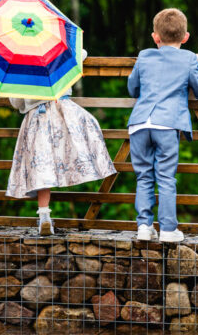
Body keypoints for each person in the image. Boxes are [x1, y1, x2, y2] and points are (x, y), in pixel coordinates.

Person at [6, 50, 116, 236]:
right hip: (63, 110)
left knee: (41, 164)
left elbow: (16, 102)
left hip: (37, 118)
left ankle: (44, 215)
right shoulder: (59, 52)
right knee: (79, 141)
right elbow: (83, 52)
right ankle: (88, 172)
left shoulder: (21, 64)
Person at [127, 8, 198, 242]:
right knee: (165, 177)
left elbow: (132, 89)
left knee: (143, 176)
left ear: (155, 37)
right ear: (186, 37)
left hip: (140, 123)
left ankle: (144, 226)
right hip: (168, 123)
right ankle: (167, 229)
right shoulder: (188, 58)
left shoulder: (144, 56)